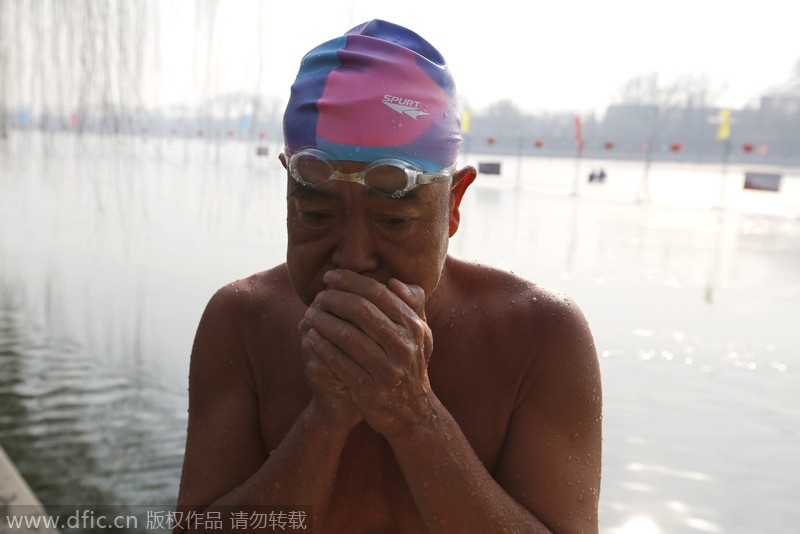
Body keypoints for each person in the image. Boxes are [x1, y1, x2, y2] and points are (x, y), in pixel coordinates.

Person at [175, 19, 602, 534]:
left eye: (394, 220)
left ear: (453, 206)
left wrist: (414, 416)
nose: (353, 257)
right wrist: (322, 422)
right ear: (287, 197)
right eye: (317, 216)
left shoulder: (539, 336)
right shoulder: (242, 321)